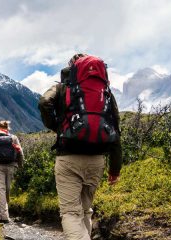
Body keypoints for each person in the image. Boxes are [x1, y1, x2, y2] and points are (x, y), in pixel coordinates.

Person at [38, 54, 122, 239]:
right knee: (85, 210)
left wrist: (58, 126)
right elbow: (115, 129)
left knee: (70, 213)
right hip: (97, 160)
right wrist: (114, 169)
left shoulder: (63, 87)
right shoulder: (105, 92)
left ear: (73, 68)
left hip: (68, 158)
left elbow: (44, 102)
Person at [0, 120, 24, 223]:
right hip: (11, 167)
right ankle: (5, 213)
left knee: (1, 190)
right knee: (7, 189)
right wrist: (20, 166)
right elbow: (20, 153)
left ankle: (4, 216)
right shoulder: (13, 138)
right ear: (8, 128)